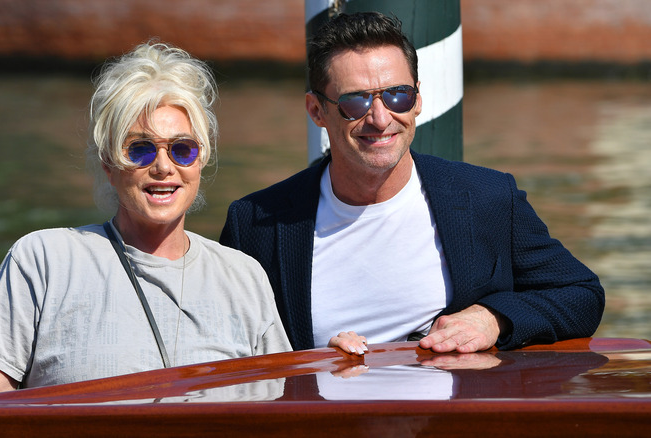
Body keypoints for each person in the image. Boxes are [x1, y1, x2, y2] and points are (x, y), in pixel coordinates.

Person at [0, 42, 366, 408]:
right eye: (140, 149)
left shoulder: (243, 276)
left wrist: (330, 365)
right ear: (109, 162)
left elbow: (285, 406)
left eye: (182, 149)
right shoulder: (44, 259)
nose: (163, 167)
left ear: (201, 161)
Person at [220, 12, 604, 354]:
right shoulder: (253, 223)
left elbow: (582, 295)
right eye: (355, 102)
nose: (381, 118)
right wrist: (315, 359)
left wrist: (493, 319)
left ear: (418, 99)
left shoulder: (487, 197)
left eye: (397, 96)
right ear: (316, 111)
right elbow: (226, 346)